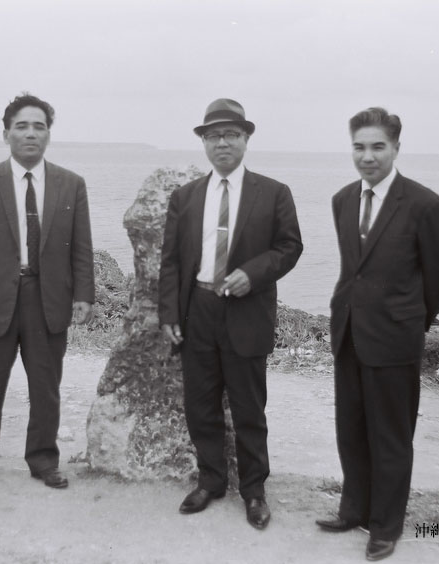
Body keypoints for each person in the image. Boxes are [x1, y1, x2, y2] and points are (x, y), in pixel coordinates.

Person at [317, 107, 439, 561]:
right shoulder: (342, 200)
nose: (368, 156)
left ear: (396, 148)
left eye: (378, 146)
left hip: (395, 338)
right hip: (349, 333)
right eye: (359, 147)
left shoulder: (426, 205)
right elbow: (355, 271)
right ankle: (354, 510)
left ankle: (385, 526)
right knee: (351, 429)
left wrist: (412, 317)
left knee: (391, 437)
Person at [158, 98, 303, 530]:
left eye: (231, 135)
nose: (222, 143)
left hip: (246, 311)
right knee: (200, 404)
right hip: (198, 311)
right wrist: (170, 314)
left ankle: (254, 491)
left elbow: (290, 247)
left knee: (248, 409)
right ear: (204, 142)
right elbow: (171, 261)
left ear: (246, 139)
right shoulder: (185, 197)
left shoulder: (273, 193)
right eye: (213, 136)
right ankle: (211, 481)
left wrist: (251, 274)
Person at [0, 93, 95, 490]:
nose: (31, 134)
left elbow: (82, 247)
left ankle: (44, 461)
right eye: (22, 126)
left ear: (48, 135)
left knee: (46, 387)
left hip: (48, 300)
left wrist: (84, 295)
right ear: (6, 134)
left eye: (39, 126)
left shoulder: (71, 184)